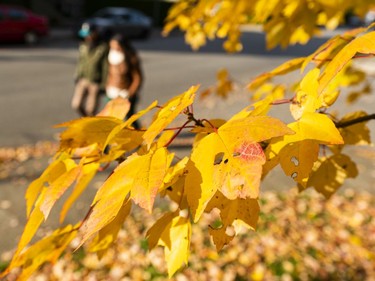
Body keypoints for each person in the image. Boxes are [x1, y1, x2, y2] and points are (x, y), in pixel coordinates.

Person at [105, 34, 143, 128]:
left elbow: (137, 77)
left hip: (126, 92)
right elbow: (110, 74)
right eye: (112, 45)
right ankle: (110, 141)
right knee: (111, 118)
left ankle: (138, 138)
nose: (114, 47)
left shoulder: (130, 57)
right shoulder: (111, 55)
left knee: (130, 117)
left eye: (116, 45)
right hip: (112, 92)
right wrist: (107, 86)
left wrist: (130, 92)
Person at [71, 22, 108, 116]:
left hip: (95, 82)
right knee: (76, 105)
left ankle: (90, 125)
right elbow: (80, 62)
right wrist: (77, 75)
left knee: (91, 110)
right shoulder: (83, 46)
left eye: (89, 34)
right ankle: (86, 121)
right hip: (83, 79)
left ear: (95, 33)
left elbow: (105, 67)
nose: (87, 37)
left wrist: (103, 85)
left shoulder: (102, 47)